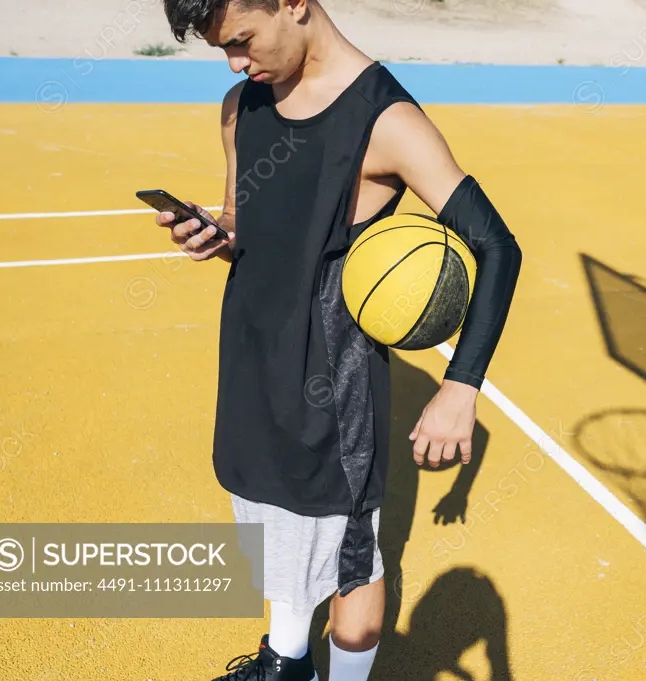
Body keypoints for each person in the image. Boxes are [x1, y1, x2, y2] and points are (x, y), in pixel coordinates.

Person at [155, 1, 522, 679]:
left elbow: (497, 245)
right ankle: (284, 659)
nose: (236, 63)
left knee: (352, 566)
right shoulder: (242, 104)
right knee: (271, 521)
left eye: (241, 41)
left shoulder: (386, 120)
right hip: (249, 355)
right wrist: (215, 232)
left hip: (331, 380)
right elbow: (247, 219)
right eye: (222, 51)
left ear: (293, 3)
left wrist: (459, 387)